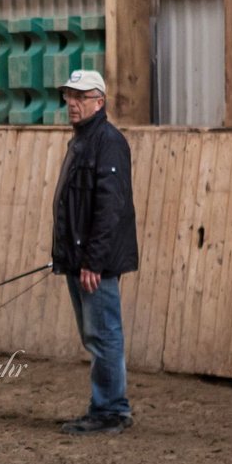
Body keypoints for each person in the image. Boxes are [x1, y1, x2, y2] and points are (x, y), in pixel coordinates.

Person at [51, 69, 139, 435]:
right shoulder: (83, 141)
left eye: (80, 97)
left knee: (103, 335)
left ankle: (111, 411)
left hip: (93, 263)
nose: (72, 103)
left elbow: (110, 206)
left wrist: (93, 261)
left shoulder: (107, 142)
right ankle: (105, 407)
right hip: (81, 259)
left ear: (98, 102)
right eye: (69, 96)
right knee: (96, 335)